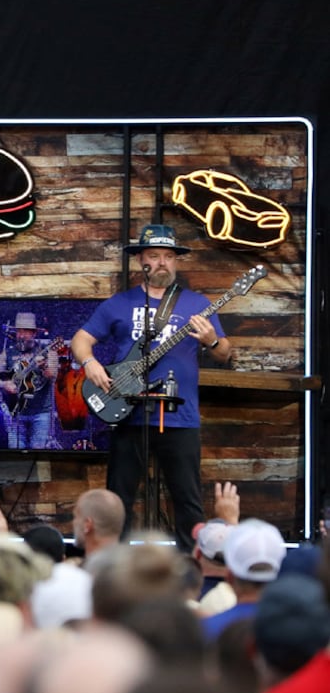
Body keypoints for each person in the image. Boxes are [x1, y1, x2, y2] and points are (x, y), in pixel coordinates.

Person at [70, 224, 231, 542]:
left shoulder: (197, 304)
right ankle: (114, 563)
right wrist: (90, 364)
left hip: (180, 417)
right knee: (119, 501)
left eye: (168, 256)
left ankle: (192, 564)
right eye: (154, 256)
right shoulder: (119, 303)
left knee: (187, 501)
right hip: (129, 413)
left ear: (176, 261)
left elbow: (224, 353)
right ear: (141, 260)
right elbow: (80, 340)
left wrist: (212, 340)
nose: (162, 263)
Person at [0, 311, 59, 448]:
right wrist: (4, 384)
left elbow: (53, 375)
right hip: (15, 413)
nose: (21, 335)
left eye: (25, 331)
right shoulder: (8, 353)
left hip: (41, 413)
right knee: (16, 451)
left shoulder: (48, 352)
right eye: (19, 331)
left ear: (34, 333)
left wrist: (44, 367)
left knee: (38, 452)